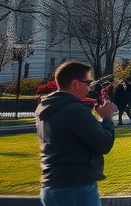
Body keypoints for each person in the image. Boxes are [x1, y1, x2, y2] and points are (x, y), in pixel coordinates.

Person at [36, 60, 117, 206]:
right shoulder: (75, 110)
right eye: (87, 83)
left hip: (51, 185)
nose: (89, 88)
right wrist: (107, 118)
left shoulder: (45, 108)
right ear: (75, 84)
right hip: (76, 186)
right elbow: (104, 144)